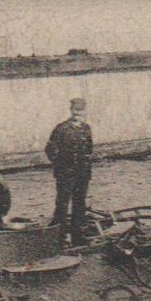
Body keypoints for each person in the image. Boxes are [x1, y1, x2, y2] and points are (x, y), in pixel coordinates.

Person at [45, 97, 94, 245]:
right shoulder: (62, 129)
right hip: (66, 173)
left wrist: (86, 165)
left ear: (85, 111)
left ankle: (78, 236)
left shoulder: (86, 128)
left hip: (82, 172)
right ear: (71, 110)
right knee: (62, 203)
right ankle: (57, 236)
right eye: (75, 110)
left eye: (81, 110)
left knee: (80, 203)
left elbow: (89, 149)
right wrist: (60, 166)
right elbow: (50, 149)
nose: (78, 113)